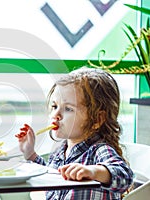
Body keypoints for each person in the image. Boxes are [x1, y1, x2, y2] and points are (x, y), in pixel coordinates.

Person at [16, 67, 133, 199]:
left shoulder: (99, 150)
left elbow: (125, 177)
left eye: (68, 109)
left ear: (97, 119)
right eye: (54, 106)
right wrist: (31, 154)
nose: (56, 115)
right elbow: (50, 176)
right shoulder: (60, 153)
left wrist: (94, 171)